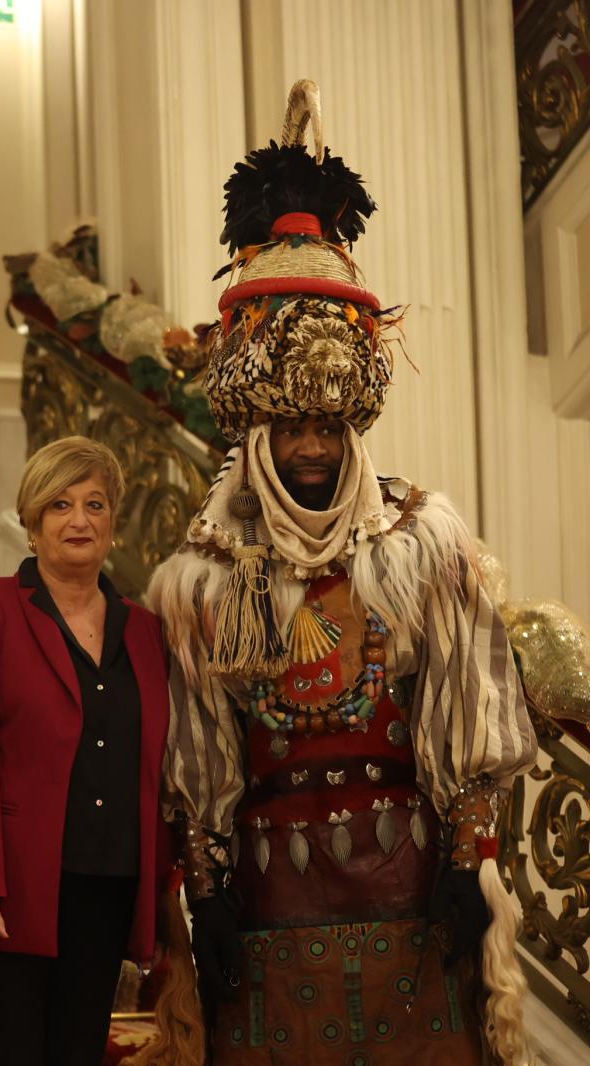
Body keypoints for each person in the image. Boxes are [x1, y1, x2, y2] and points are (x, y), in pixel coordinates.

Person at [140, 81, 536, 1065]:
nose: (312, 445)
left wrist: (468, 865)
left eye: (327, 422)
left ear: (352, 420)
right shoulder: (198, 576)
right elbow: (196, 750)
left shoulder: (421, 540)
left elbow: (471, 713)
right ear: (258, 429)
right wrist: (207, 885)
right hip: (271, 894)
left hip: (413, 888)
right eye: (291, 425)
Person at [0, 436, 173, 1065]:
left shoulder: (146, 629)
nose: (79, 519)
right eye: (59, 505)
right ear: (31, 526)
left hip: (107, 886)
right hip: (7, 888)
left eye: (95, 504)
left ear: (114, 524)